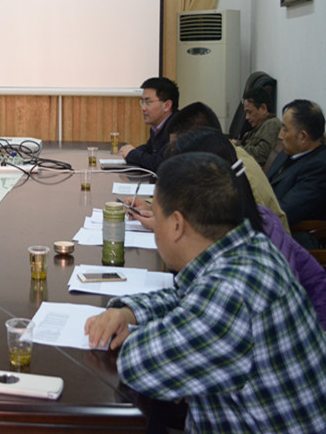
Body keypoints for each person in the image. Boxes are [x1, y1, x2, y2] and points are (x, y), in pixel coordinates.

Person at [85, 153, 326, 433]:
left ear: (177, 225)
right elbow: (184, 295)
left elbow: (140, 364)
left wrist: (141, 338)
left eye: (158, 218)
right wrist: (129, 312)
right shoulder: (250, 247)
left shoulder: (230, 291)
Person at [130, 127, 326, 330]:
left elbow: (180, 331)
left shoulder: (234, 275)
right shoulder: (245, 228)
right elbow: (186, 295)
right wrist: (132, 310)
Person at [166, 101, 289, 232]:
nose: (178, 160)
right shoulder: (224, 156)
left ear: (201, 142)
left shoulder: (236, 176)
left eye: (180, 153)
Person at [266, 99, 326, 237]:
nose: (280, 135)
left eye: (285, 129)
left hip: (293, 237)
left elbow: (285, 212)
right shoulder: (287, 152)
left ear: (303, 137)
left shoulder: (319, 168)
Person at [118, 77, 178, 172]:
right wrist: (132, 151)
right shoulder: (157, 126)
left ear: (167, 105)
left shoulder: (178, 128)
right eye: (142, 102)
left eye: (148, 102)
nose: (143, 108)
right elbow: (150, 149)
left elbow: (162, 164)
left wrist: (133, 154)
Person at [233, 86, 282, 165]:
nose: (247, 117)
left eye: (249, 112)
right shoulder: (258, 126)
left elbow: (261, 155)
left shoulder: (272, 124)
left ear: (263, 108)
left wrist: (236, 147)